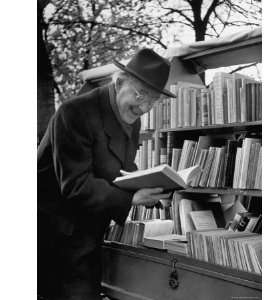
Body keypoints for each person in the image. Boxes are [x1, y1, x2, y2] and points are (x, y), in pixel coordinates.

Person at [37, 48, 176, 300]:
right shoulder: (74, 112)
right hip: (51, 236)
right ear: (120, 82)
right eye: (141, 93)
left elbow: (121, 168)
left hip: (88, 231)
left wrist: (152, 182)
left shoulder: (132, 120)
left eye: (153, 100)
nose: (145, 107)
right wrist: (131, 198)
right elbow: (75, 185)